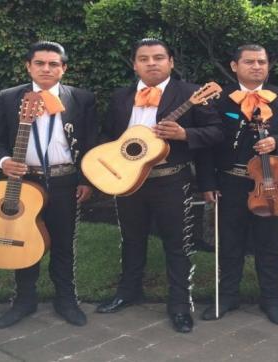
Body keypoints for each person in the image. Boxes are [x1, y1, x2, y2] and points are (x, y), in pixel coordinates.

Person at [95, 38, 222, 333]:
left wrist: (184, 134)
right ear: (135, 64)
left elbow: (216, 132)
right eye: (144, 58)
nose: (151, 63)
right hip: (127, 182)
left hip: (171, 181)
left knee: (177, 244)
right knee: (131, 239)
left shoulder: (192, 94)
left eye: (158, 57)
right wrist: (114, 156)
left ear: (171, 62)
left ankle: (179, 305)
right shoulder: (120, 97)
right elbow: (106, 135)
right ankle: (128, 292)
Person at [0, 41, 97, 328]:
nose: (46, 69)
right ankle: (24, 299)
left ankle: (66, 299)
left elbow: (90, 142)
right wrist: (3, 162)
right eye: (40, 63)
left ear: (64, 68)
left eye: (53, 64)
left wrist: (86, 179)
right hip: (23, 181)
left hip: (65, 180)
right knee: (23, 240)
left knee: (63, 242)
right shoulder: (9, 97)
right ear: (28, 66)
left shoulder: (81, 98)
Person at [195, 44, 278, 325]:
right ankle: (227, 296)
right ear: (235, 66)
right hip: (229, 181)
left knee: (268, 245)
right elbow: (207, 144)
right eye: (249, 62)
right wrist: (207, 181)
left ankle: (272, 299)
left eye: (262, 62)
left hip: (270, 182)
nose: (257, 66)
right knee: (229, 243)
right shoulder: (220, 100)